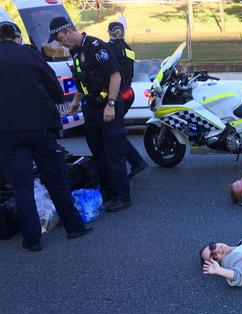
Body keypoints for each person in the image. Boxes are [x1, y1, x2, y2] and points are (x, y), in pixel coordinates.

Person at [0, 21, 92, 252]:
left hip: (7, 132)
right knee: (56, 179)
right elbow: (55, 88)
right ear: (17, 37)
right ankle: (74, 227)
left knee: (21, 185)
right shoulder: (29, 54)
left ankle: (32, 240)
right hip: (40, 127)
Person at [49, 16, 132, 212]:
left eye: (61, 38)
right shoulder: (76, 52)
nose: (61, 43)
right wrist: (76, 101)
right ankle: (108, 193)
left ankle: (122, 196)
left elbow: (115, 76)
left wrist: (111, 104)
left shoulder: (96, 46)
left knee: (114, 152)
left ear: (69, 31)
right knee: (99, 152)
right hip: (91, 107)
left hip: (107, 105)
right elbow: (83, 80)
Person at [106, 21, 148, 179]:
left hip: (118, 93)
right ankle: (133, 160)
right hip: (128, 91)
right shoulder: (128, 49)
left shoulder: (108, 48)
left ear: (109, 32)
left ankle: (135, 161)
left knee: (114, 132)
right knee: (116, 129)